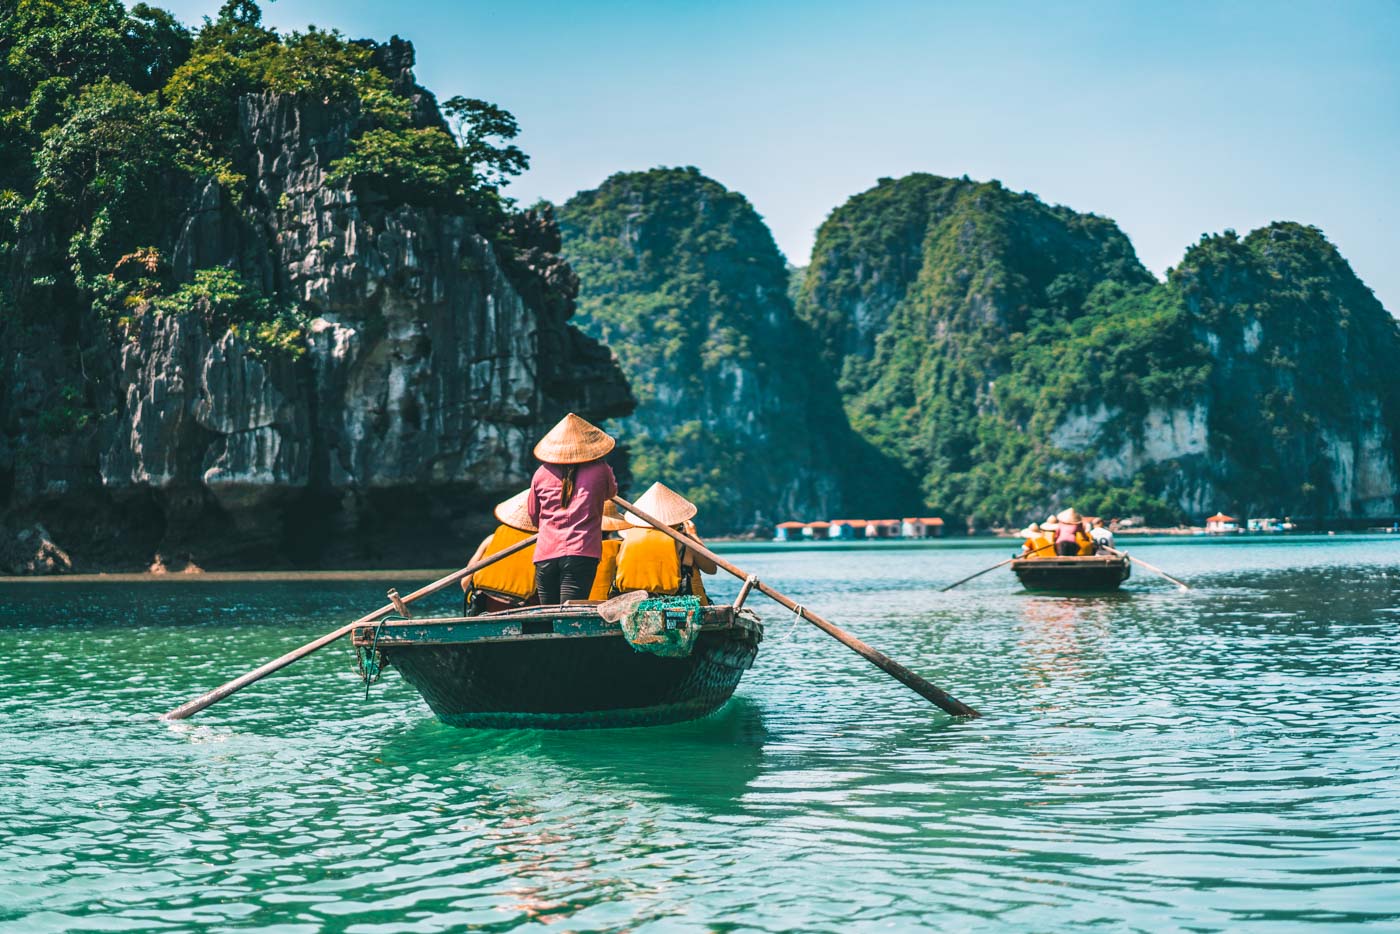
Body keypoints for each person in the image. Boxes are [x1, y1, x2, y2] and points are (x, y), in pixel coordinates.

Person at [527, 413, 618, 605]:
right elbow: (611, 493)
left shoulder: (541, 473)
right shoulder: (600, 469)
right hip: (581, 552)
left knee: (548, 616)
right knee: (568, 614)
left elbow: (534, 516)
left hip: (545, 554)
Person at [613, 482, 717, 604]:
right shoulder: (685, 542)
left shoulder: (629, 539)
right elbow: (711, 568)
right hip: (677, 605)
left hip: (636, 603)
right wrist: (693, 535)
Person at [460, 490, 538, 616]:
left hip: (485, 610)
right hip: (523, 613)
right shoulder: (544, 545)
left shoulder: (491, 540)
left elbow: (465, 582)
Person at [586, 502, 632, 601]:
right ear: (611, 530)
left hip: (578, 601)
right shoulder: (619, 547)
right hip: (606, 603)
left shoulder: (580, 549)